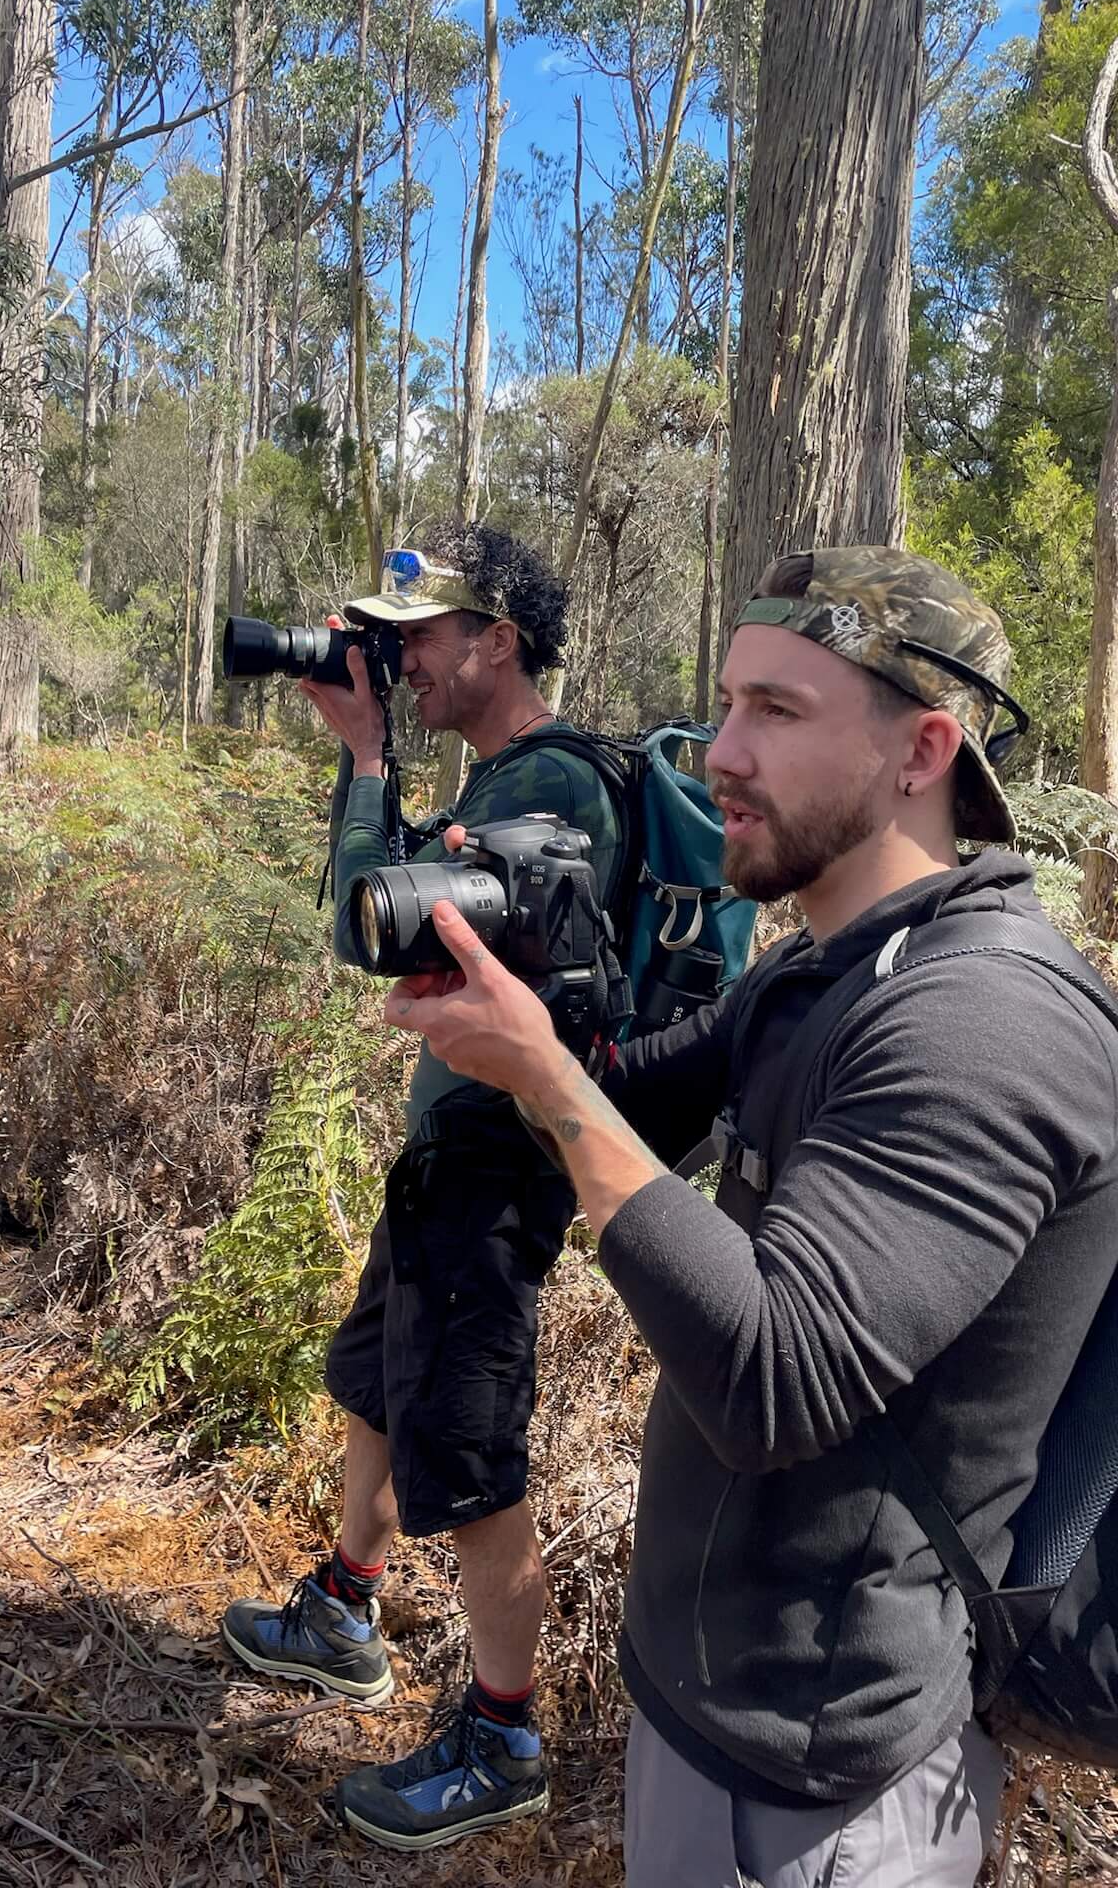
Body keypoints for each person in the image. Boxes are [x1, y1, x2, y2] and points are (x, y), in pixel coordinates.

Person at [383, 545, 1118, 1887]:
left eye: (776, 713)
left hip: (820, 1766)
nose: (720, 751)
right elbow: (622, 1110)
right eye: (725, 704)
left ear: (924, 752)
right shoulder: (825, 972)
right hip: (714, 1700)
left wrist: (544, 1077)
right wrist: (521, 962)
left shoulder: (980, 1019)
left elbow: (773, 1376)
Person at [221, 525, 623, 1850]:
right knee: (377, 1381)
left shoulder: (549, 792)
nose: (394, 660)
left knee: (471, 1446)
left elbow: (364, 922)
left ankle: (506, 1734)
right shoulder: (502, 788)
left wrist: (365, 761)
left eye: (412, 638)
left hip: (499, 1172)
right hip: (448, 1154)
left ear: (493, 640)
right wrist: (379, 767)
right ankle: (347, 1608)